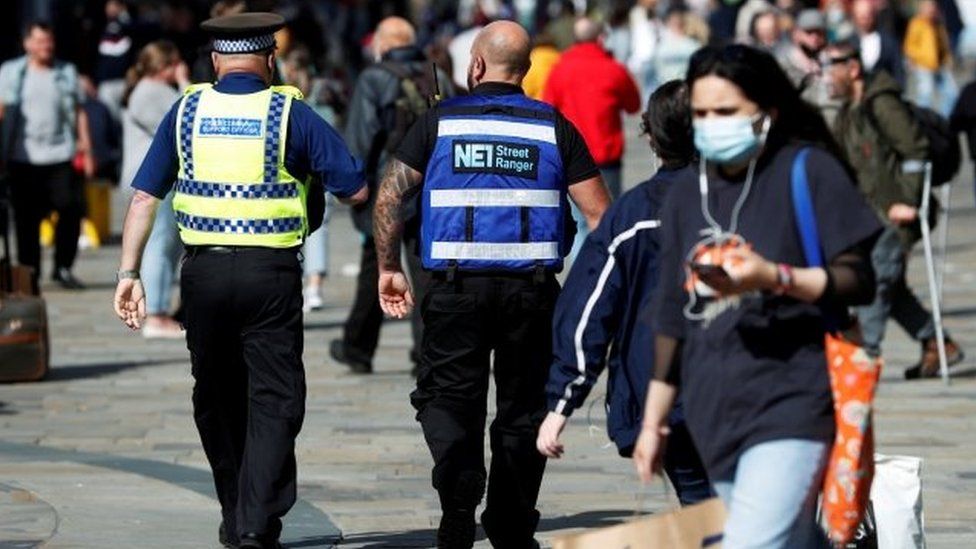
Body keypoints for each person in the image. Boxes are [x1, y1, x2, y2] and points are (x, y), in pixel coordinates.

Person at [112, 13, 367, 549]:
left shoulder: (187, 110)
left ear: (214, 61)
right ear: (270, 60)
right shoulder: (290, 112)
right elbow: (354, 188)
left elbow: (143, 198)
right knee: (276, 397)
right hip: (269, 274)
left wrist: (129, 273)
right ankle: (254, 520)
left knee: (216, 395)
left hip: (201, 275)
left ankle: (238, 510)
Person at [372, 20, 610, 549]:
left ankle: (459, 492)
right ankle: (510, 520)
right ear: (524, 71)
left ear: (475, 66)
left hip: (455, 289)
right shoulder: (554, 126)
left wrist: (389, 267)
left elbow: (389, 196)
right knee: (524, 409)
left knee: (448, 397)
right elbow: (603, 219)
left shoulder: (440, 121)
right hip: (533, 291)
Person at [632, 44, 881, 548]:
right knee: (787, 539)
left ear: (765, 113)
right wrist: (654, 421)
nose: (711, 124)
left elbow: (859, 279)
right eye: (701, 113)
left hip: (793, 397)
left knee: (751, 542)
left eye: (725, 112)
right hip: (713, 408)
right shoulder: (686, 193)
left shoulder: (806, 172)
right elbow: (672, 317)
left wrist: (775, 278)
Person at [537, 80, 713, 506]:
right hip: (748, 387)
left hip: (664, 392)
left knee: (703, 503)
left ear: (650, 136)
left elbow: (590, 309)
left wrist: (562, 402)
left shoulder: (632, 215)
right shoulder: (751, 199)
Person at [825, 42, 965, 379]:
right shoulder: (848, 112)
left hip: (895, 212)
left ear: (853, 68)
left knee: (876, 282)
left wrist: (909, 201)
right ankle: (937, 342)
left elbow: (916, 151)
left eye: (833, 66)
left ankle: (863, 356)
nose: (828, 75)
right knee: (891, 286)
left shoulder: (882, 104)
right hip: (869, 215)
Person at [331, 16, 453, 375]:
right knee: (425, 271)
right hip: (430, 188)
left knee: (377, 265)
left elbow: (360, 138)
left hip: (387, 188)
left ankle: (357, 346)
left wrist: (352, 187)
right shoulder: (437, 74)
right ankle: (427, 353)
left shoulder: (375, 78)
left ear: (382, 45)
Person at [0, 21, 95, 290]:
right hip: (22, 158)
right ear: (27, 44)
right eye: (40, 41)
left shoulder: (66, 72)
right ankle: (29, 274)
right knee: (25, 220)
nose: (46, 47)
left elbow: (78, 112)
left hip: (61, 155)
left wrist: (86, 148)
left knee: (70, 209)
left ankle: (63, 267)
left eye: (49, 41)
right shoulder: (11, 72)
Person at [544, 16, 640, 260]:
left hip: (568, 156)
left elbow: (547, 107)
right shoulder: (614, 69)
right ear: (601, 38)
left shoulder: (560, 69)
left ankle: (581, 277)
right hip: (606, 155)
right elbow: (633, 105)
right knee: (608, 221)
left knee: (578, 224)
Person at [120, 40, 190, 339]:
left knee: (167, 244)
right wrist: (185, 81)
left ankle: (163, 309)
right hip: (154, 179)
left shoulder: (147, 89)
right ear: (167, 66)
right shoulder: (153, 91)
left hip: (152, 177)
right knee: (160, 244)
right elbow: (188, 118)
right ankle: (157, 314)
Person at [904, 0, 958, 116]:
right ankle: (923, 121)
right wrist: (913, 58)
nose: (931, 9)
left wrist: (948, 58)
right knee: (925, 95)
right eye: (928, 7)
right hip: (924, 65)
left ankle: (944, 118)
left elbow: (944, 43)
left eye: (933, 7)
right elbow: (909, 46)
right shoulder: (917, 24)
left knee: (951, 92)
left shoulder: (938, 24)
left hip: (939, 64)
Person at [851, 0, 905, 87]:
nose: (865, 20)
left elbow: (898, 71)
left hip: (884, 93)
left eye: (868, 15)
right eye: (861, 16)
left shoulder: (889, 42)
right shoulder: (849, 43)